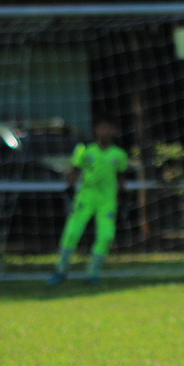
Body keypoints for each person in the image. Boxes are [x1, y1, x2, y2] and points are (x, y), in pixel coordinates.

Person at [47, 116, 129, 286]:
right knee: (71, 233)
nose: (105, 131)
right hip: (85, 197)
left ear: (113, 131)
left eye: (109, 128)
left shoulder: (119, 154)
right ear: (95, 130)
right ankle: (60, 271)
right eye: (102, 127)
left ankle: (93, 273)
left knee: (106, 236)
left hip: (107, 200)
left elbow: (121, 177)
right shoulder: (84, 150)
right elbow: (74, 170)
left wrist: (124, 197)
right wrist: (69, 189)